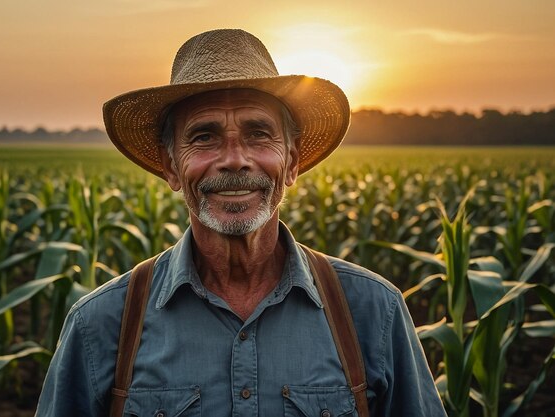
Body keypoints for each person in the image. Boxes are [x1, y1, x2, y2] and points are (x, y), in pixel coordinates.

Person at [35, 29, 447, 417]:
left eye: (258, 133)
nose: (234, 158)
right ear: (171, 167)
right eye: (204, 137)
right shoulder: (101, 323)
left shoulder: (374, 311)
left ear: (293, 161)